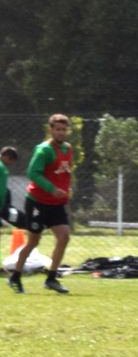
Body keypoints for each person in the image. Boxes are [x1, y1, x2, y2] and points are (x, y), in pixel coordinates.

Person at [10, 114, 76, 295]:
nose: (61, 132)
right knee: (33, 241)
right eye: (58, 129)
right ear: (51, 130)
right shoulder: (43, 150)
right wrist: (51, 188)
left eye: (64, 129)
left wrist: (66, 190)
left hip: (56, 204)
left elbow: (65, 173)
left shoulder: (68, 149)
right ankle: (15, 276)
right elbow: (33, 173)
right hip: (37, 202)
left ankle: (51, 278)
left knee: (64, 237)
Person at [1, 145, 18, 227]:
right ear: (5, 157)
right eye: (11, 160)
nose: (11, 163)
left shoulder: (4, 168)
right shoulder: (1, 168)